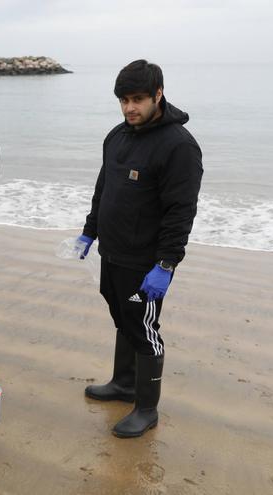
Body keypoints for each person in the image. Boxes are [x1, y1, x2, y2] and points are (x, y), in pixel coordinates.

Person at [77, 59, 203, 438]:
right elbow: (104, 189)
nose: (130, 107)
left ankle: (146, 408)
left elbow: (181, 212)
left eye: (138, 99)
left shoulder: (179, 146)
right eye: (123, 100)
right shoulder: (116, 136)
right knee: (122, 317)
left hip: (146, 262)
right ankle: (124, 383)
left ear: (158, 95)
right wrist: (89, 232)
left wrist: (166, 264)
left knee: (143, 327)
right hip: (112, 252)